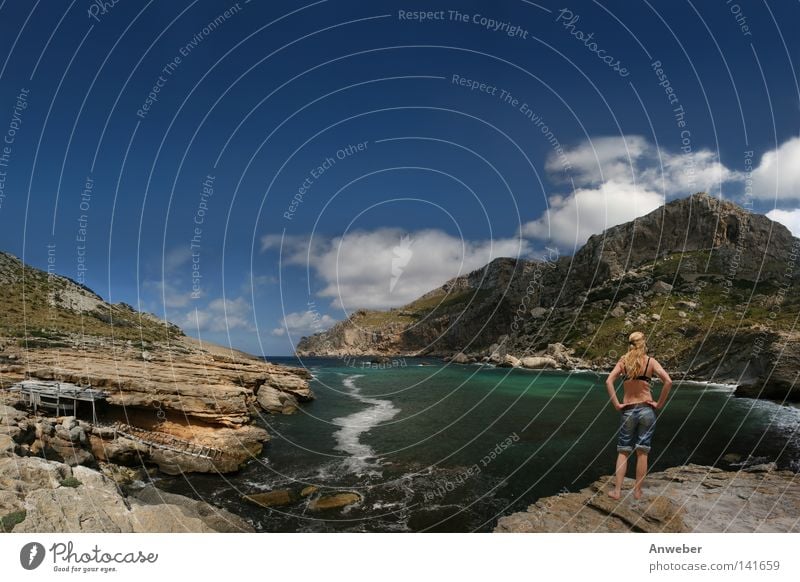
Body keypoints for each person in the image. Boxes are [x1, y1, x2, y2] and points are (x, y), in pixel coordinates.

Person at [604, 331, 672, 500]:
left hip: (628, 410)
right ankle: (637, 491)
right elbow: (668, 382)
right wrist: (659, 404)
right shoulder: (650, 361)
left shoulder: (623, 361)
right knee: (642, 451)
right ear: (644, 343)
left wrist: (617, 404)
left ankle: (617, 491)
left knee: (623, 450)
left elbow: (608, 381)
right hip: (647, 409)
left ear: (630, 344)